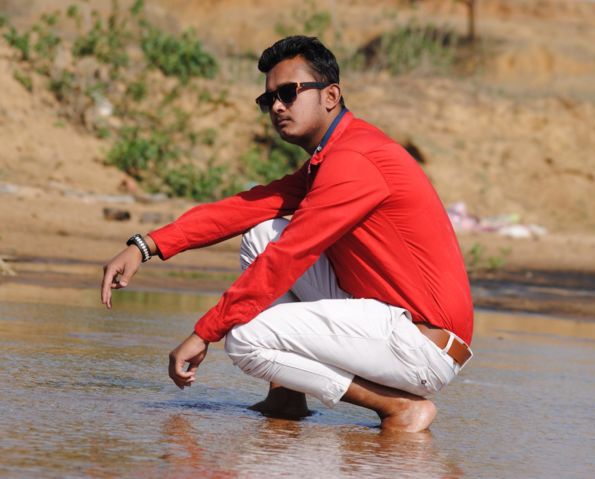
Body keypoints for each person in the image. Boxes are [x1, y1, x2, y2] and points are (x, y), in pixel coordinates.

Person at [101, 35, 473, 433]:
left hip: (422, 345)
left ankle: (397, 407)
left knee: (244, 338)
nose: (277, 106)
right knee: (263, 233)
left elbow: (290, 256)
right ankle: (287, 396)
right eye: (268, 99)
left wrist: (204, 332)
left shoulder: (355, 159)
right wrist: (146, 245)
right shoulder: (331, 156)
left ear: (331, 96)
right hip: (387, 320)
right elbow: (248, 208)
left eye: (289, 93)